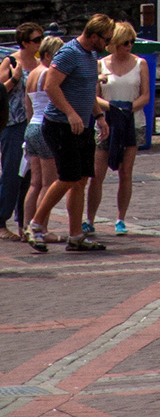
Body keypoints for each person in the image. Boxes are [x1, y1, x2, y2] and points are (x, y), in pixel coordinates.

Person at [27, 16, 113, 254]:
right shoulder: (69, 53)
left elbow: (87, 92)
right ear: (94, 36)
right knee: (67, 177)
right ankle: (35, 224)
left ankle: (76, 236)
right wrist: (71, 114)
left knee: (81, 180)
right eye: (106, 39)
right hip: (60, 125)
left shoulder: (91, 55)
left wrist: (98, 117)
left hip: (83, 126)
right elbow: (51, 86)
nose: (108, 44)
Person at [87, 27, 147, 239]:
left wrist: (128, 108)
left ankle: (121, 218)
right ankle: (90, 219)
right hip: (106, 122)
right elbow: (94, 97)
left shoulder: (141, 64)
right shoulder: (100, 65)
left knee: (126, 172)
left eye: (131, 41)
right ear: (114, 43)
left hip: (133, 122)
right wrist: (112, 107)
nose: (128, 46)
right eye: (124, 42)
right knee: (97, 174)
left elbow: (146, 95)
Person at [0, 18, 42, 239]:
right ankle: (1, 220)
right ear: (24, 42)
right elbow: (0, 92)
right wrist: (15, 79)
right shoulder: (11, 62)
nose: (40, 43)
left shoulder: (38, 64)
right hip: (13, 123)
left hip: (33, 124)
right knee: (11, 174)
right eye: (36, 40)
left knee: (30, 175)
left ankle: (23, 222)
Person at [21, 39, 58, 235]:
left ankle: (27, 226)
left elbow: (28, 106)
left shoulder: (32, 74)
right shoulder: (47, 73)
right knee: (48, 183)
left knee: (34, 182)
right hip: (45, 126)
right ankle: (41, 228)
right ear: (48, 55)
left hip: (32, 126)